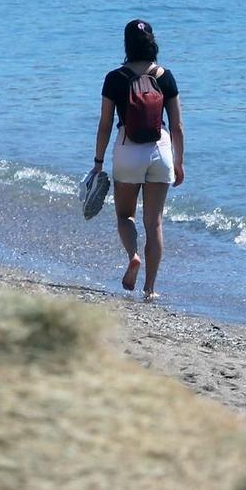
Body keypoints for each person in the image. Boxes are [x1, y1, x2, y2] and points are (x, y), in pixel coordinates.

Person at [92, 19, 184, 301]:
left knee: (124, 215)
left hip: (128, 150)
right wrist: (179, 163)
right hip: (161, 151)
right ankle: (150, 288)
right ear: (152, 42)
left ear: (126, 44)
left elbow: (105, 124)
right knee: (154, 222)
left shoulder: (114, 78)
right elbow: (177, 125)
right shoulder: (166, 76)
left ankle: (133, 256)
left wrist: (98, 162)